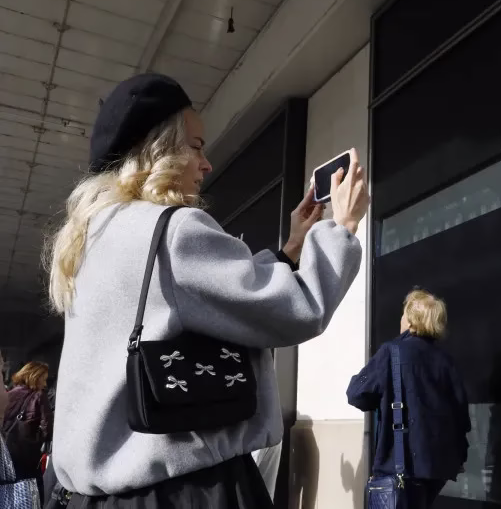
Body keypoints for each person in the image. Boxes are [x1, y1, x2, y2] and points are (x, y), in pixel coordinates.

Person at [43, 73, 369, 507]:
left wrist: (291, 248)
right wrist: (342, 227)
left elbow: (207, 298)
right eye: (195, 146)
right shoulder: (171, 231)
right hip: (183, 489)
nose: (206, 163)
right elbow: (298, 309)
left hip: (95, 496)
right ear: (158, 151)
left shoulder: (89, 239)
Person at [347, 289, 470, 508]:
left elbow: (356, 394)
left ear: (412, 320)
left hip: (400, 466)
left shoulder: (393, 352)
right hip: (436, 469)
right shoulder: (445, 360)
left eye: (404, 314)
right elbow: (461, 417)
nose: (401, 319)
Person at [2, 362, 52, 486]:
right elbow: (47, 428)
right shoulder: (39, 396)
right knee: (31, 489)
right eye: (43, 379)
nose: (45, 383)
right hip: (28, 455)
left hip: (7, 450)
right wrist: (38, 439)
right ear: (35, 377)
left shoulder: (9, 393)